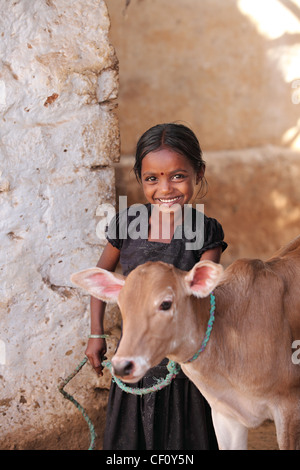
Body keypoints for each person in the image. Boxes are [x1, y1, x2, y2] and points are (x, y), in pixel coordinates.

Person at [85, 123, 227, 450]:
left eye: (177, 176)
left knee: (183, 438)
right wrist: (96, 335)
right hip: (134, 346)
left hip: (183, 359)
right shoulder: (127, 223)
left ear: (198, 172)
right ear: (140, 179)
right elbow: (100, 278)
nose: (165, 188)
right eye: (152, 178)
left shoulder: (206, 232)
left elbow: (206, 295)